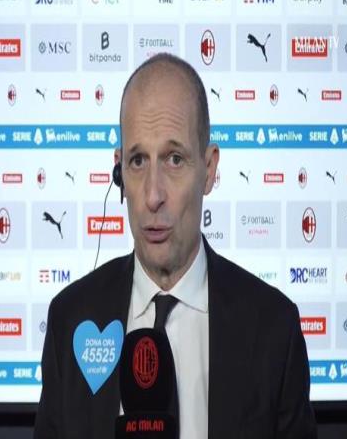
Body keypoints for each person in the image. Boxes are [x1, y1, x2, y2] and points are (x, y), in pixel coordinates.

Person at [34, 53, 317, 439]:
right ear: (119, 170)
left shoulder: (274, 329)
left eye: (174, 159)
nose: (153, 195)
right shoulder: (69, 319)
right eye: (138, 161)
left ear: (209, 169)